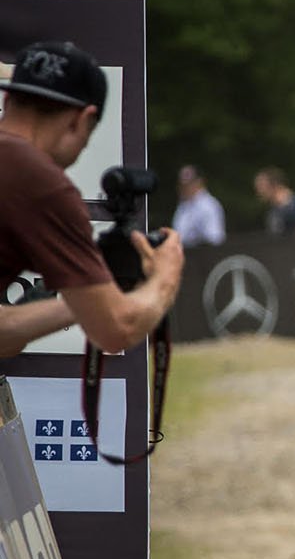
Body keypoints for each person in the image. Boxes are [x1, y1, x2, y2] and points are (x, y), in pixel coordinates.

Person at [0, 41, 184, 358]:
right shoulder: (38, 180)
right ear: (81, 120)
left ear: (8, 98)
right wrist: (164, 279)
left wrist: (86, 301)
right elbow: (116, 329)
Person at [171, 165, 227, 248]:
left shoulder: (209, 205)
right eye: (182, 184)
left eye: (188, 184)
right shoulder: (183, 205)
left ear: (199, 182)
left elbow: (214, 239)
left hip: (202, 256)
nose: (184, 188)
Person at [253, 168, 295, 236]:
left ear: (274, 185)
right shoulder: (275, 210)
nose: (259, 191)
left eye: (261, 186)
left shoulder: (294, 205)